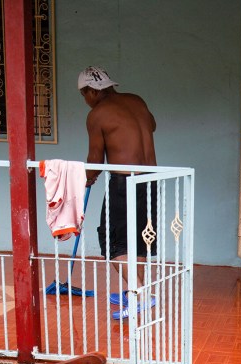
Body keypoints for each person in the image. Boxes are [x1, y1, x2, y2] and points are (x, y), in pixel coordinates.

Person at [78, 66, 157, 319]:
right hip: (151, 179)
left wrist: (86, 179)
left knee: (113, 244)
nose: (85, 101)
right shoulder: (136, 100)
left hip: (124, 183)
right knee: (139, 239)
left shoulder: (97, 115)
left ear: (92, 91)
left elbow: (95, 159)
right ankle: (136, 293)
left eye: (84, 95)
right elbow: (151, 125)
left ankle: (141, 293)